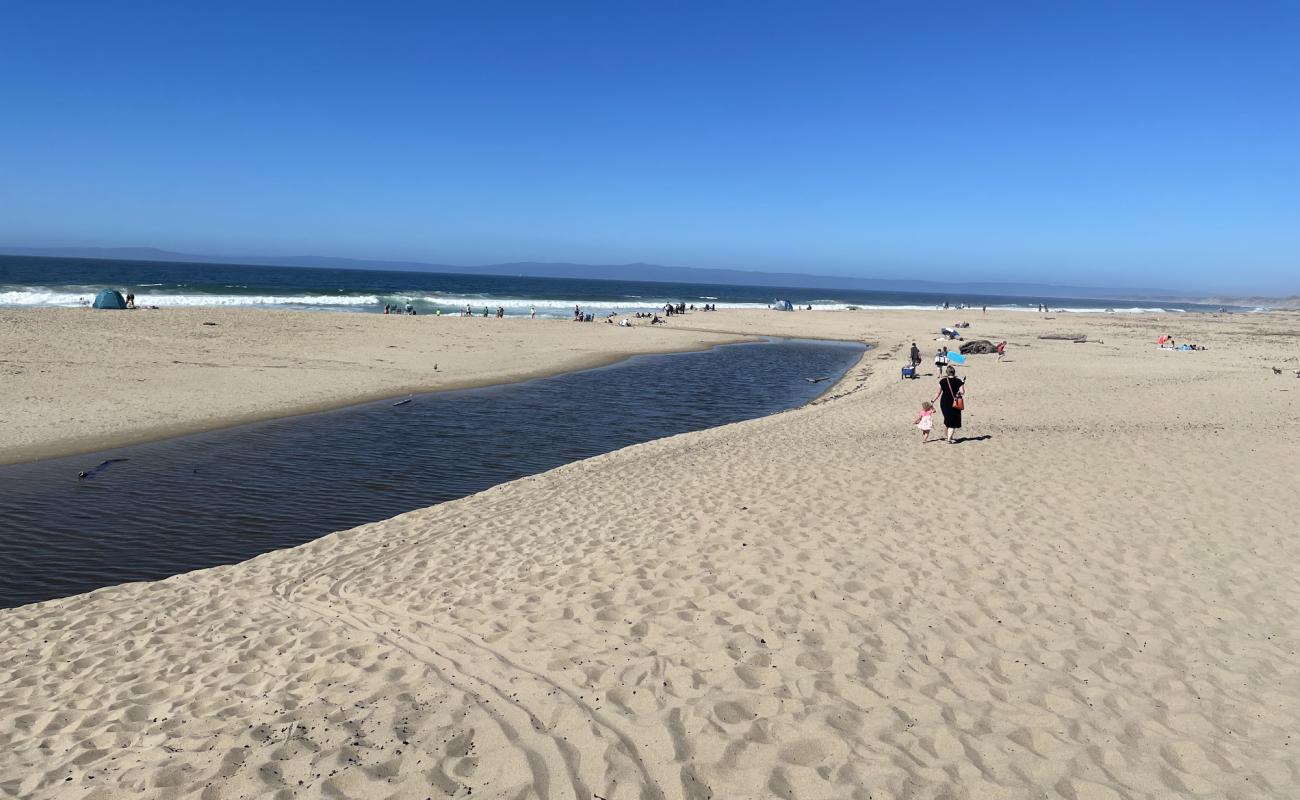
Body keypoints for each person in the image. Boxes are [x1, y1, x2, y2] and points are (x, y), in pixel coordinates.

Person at [933, 366, 965, 444]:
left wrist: (932, 400)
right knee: (952, 422)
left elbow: (938, 393)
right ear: (954, 372)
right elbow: (962, 392)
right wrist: (960, 387)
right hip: (955, 402)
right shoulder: (958, 381)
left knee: (948, 419)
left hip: (944, 402)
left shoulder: (942, 381)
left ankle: (948, 436)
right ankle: (949, 439)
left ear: (946, 373)